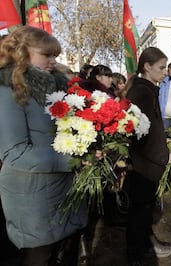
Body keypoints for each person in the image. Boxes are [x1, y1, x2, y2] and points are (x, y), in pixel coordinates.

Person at [0, 26, 87, 265]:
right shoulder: (8, 88)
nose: (53, 61)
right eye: (46, 55)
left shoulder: (58, 87)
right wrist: (72, 160)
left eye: (55, 56)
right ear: (22, 53)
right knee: (39, 256)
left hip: (63, 187)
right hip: (33, 194)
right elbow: (13, 153)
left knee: (62, 251)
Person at [125, 47, 171, 265]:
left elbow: (152, 128)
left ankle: (145, 244)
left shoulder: (147, 89)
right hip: (145, 165)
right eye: (161, 68)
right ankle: (137, 253)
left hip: (145, 163)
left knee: (144, 210)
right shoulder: (143, 92)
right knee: (141, 211)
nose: (165, 72)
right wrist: (165, 156)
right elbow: (146, 134)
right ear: (147, 66)